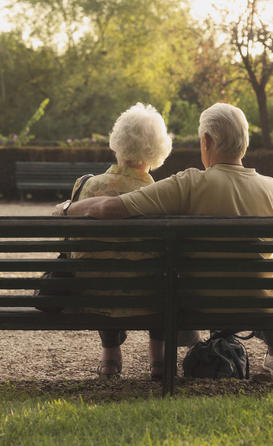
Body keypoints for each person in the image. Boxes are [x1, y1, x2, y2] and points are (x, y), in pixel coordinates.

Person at [55, 103, 273, 379]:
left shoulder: (189, 183)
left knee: (176, 283)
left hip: (202, 302)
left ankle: (173, 351)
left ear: (207, 141)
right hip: (259, 302)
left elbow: (111, 208)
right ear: (245, 142)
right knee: (265, 283)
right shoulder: (272, 186)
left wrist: (66, 209)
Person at [64, 102, 189, 379]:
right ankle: (158, 358)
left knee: (104, 267)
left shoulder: (86, 187)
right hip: (150, 299)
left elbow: (71, 246)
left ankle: (109, 357)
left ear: (118, 141)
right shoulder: (159, 193)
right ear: (158, 149)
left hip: (92, 296)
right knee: (160, 274)